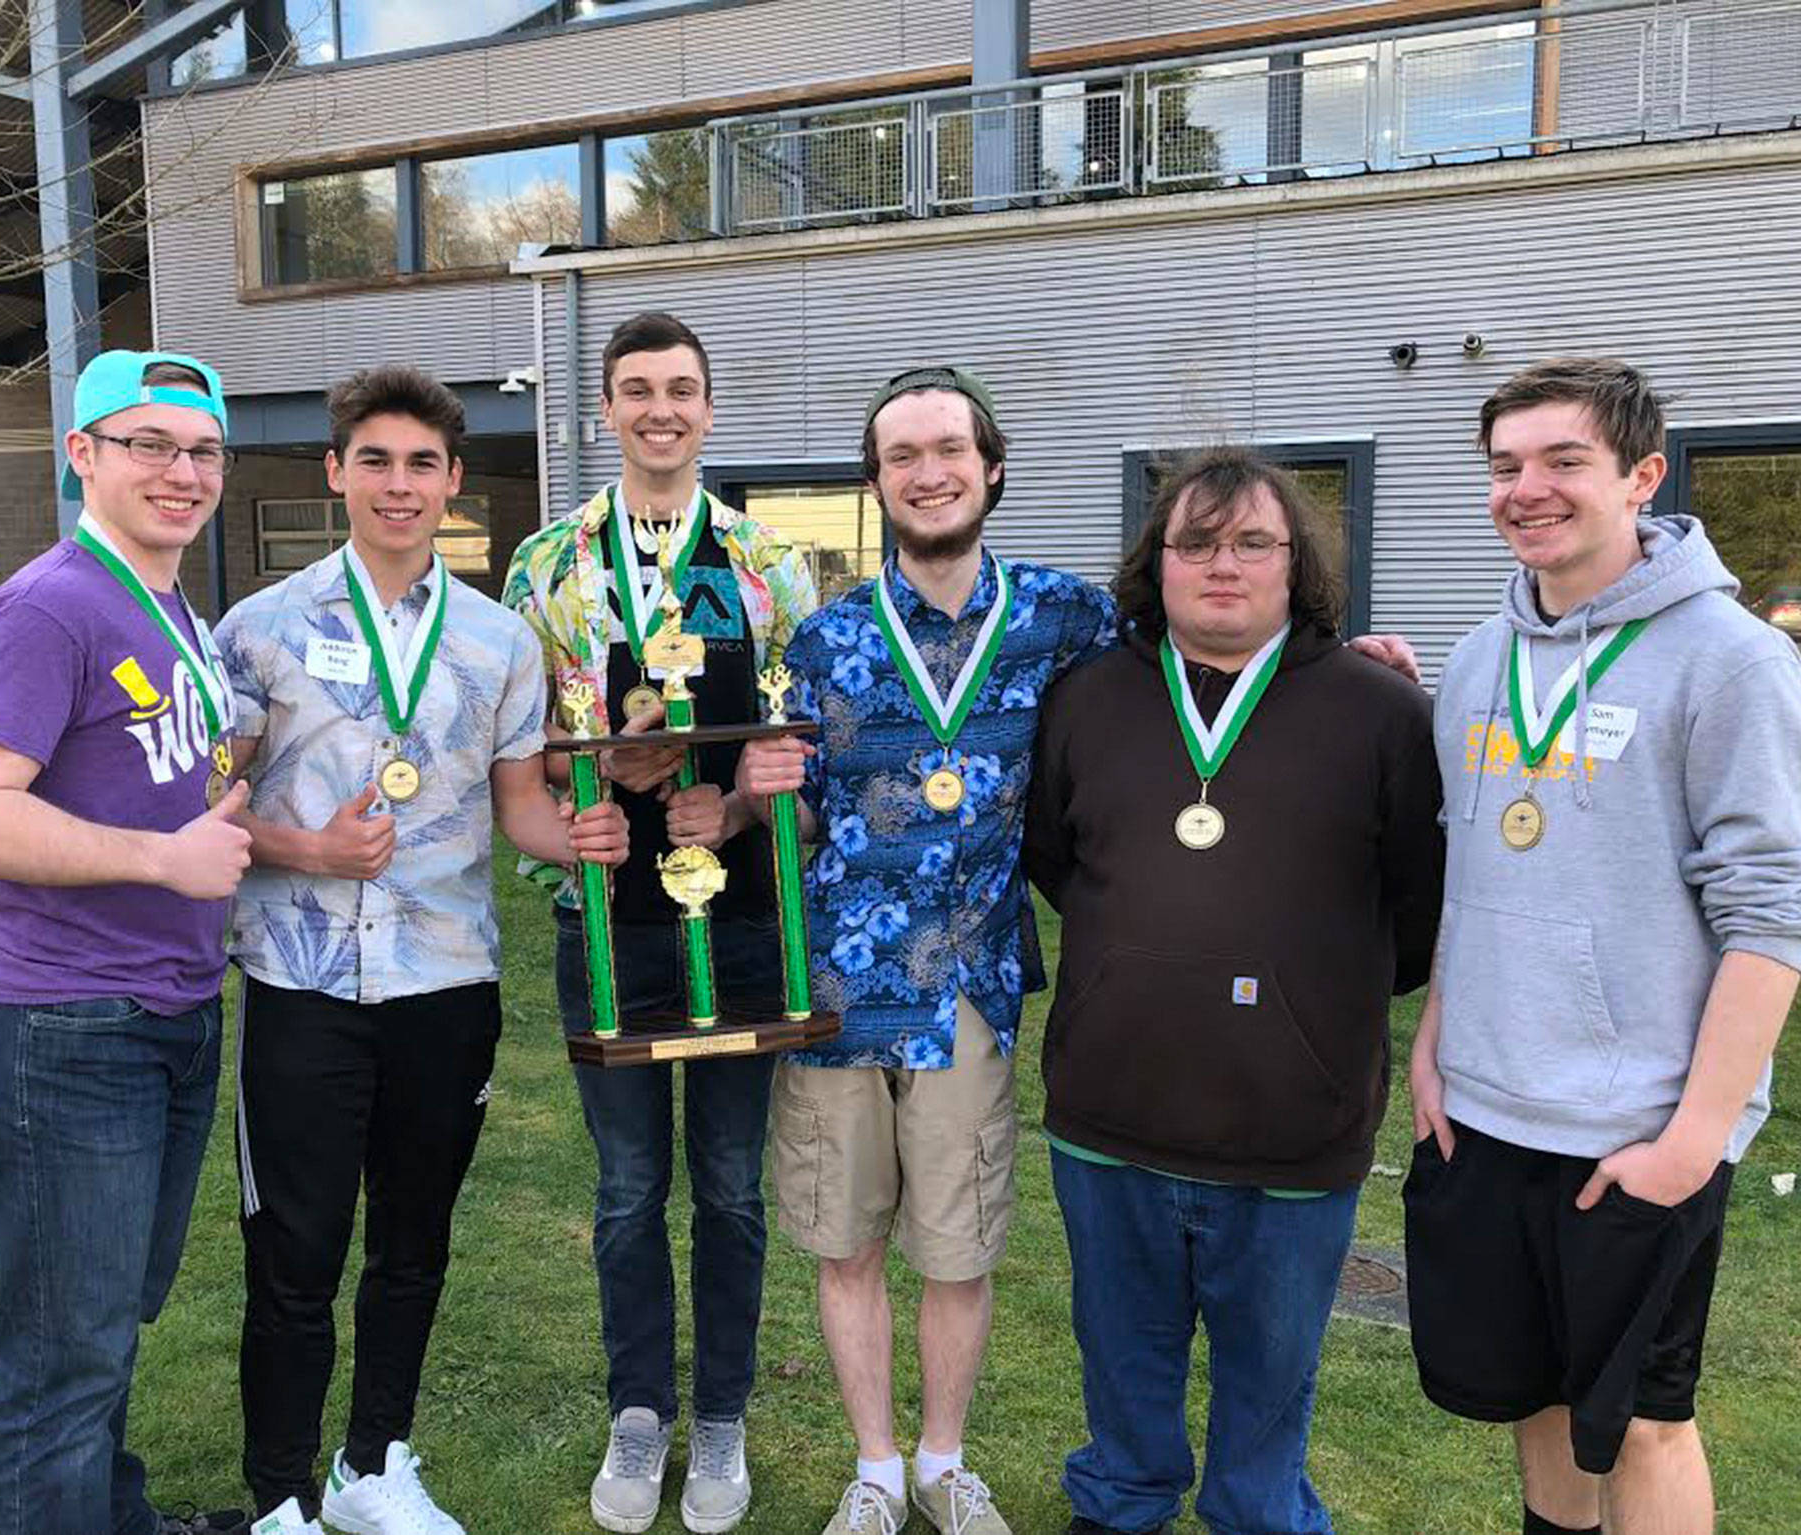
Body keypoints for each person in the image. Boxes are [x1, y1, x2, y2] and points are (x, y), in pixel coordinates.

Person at [1404, 357, 1801, 1535]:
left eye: (1561, 462)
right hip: (1489, 1107)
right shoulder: (1478, 656)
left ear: (1640, 475)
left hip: (1636, 1125)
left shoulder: (1731, 657)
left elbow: (1772, 909)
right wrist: (1435, 1048)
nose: (1525, 489)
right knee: (1531, 1399)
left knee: (1644, 1420)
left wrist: (1692, 1136)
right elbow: (1472, 871)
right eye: (1504, 465)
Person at [212, 365, 628, 1535]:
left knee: (413, 1242)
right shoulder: (261, 627)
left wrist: (582, 834)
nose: (401, 485)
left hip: (446, 984)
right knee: (292, 1252)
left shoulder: (499, 641)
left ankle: (372, 1464)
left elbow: (521, 813)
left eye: (424, 464)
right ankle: (282, 1495)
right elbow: (206, 813)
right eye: (377, 461)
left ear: (454, 480)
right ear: (335, 470)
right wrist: (308, 846)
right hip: (301, 983)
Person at [1021, 448, 1445, 1535]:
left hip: (1291, 1123)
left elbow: (1415, 907)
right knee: (1119, 1345)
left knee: (1272, 1366)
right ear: (1153, 562)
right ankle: (1119, 1498)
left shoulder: (1378, 711)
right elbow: (1058, 860)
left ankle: (1260, 1511)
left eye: (1251, 541)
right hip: (1110, 1112)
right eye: (1194, 542)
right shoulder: (1085, 698)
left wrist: (1305, 1005)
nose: (1222, 565)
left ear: (1295, 563)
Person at [735, 366, 1122, 1535]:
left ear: (989, 466)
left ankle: (945, 1463)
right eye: (901, 455)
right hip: (839, 988)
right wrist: (752, 800)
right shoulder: (819, 640)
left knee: (956, 1247)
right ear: (875, 483)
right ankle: (874, 1467)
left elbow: (1199, 664)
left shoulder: (1068, 617)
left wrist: (1335, 657)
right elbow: (792, 812)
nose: (927, 470)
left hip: (970, 986)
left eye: (947, 447)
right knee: (843, 1239)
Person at [0, 349, 252, 1535]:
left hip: (158, 1012)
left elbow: (139, 771)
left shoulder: (159, 599)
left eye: (202, 449)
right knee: (62, 1357)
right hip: (59, 1031)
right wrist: (162, 860)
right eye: (150, 443)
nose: (183, 470)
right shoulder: (44, 604)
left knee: (98, 1328)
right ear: (82, 455)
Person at [500, 312, 817, 1535]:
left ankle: (722, 1413)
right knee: (630, 1187)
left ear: (709, 405)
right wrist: (589, 803)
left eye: (680, 388)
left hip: (743, 922)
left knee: (731, 1188)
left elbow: (791, 754)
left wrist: (734, 804)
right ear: (605, 408)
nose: (660, 410)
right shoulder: (549, 564)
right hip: (611, 918)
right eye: (636, 390)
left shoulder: (766, 564)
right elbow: (520, 752)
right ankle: (640, 1410)